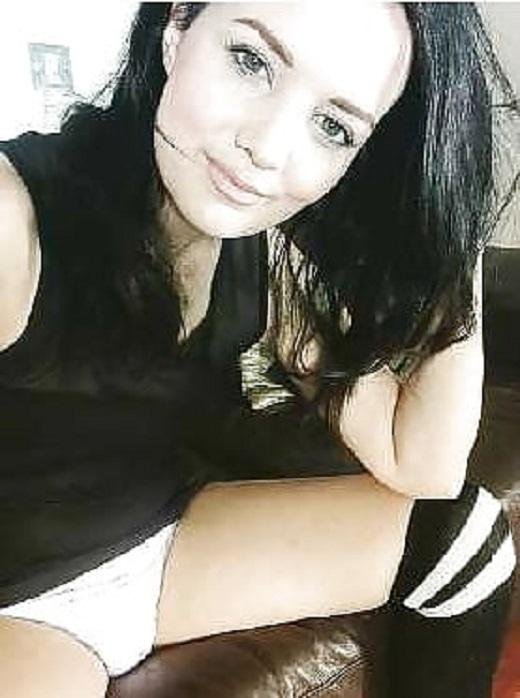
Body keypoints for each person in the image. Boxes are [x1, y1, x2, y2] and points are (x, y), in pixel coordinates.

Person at [0, 2, 517, 696]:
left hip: (161, 543)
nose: (268, 148)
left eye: (333, 127)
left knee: (462, 539)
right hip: (20, 598)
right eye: (251, 62)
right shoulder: (15, 219)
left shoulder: (262, 260)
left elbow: (423, 462)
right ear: (178, 27)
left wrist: (455, 234)